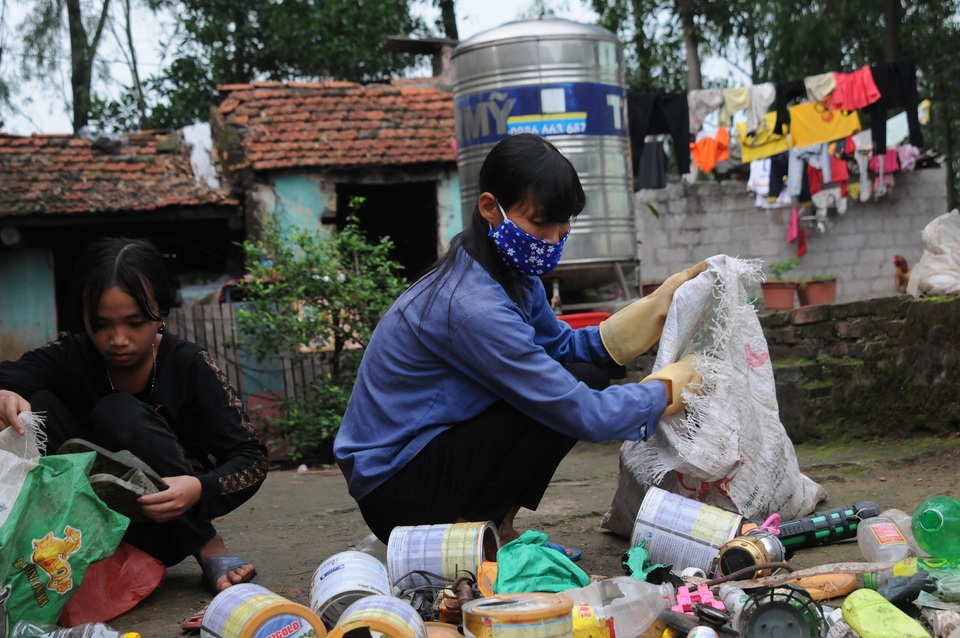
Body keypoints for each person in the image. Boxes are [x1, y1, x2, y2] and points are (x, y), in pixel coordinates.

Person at [334, 133, 706, 548]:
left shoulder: (505, 270)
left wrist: (654, 310)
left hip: (431, 453)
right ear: (491, 208)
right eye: (539, 222)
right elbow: (578, 410)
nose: (554, 238)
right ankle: (465, 533)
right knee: (550, 405)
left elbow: (562, 349)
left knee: (579, 374)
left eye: (564, 223)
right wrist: (663, 392)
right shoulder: (472, 306)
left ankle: (499, 523)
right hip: (396, 487)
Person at [0, 237, 269, 594]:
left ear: (161, 312)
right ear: (83, 315)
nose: (118, 339)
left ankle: (208, 546)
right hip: (76, 532)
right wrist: (4, 396)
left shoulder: (188, 364)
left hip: (167, 524)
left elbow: (252, 459)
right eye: (102, 324)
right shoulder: (71, 354)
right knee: (36, 400)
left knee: (118, 412)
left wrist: (197, 489)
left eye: (135, 322)